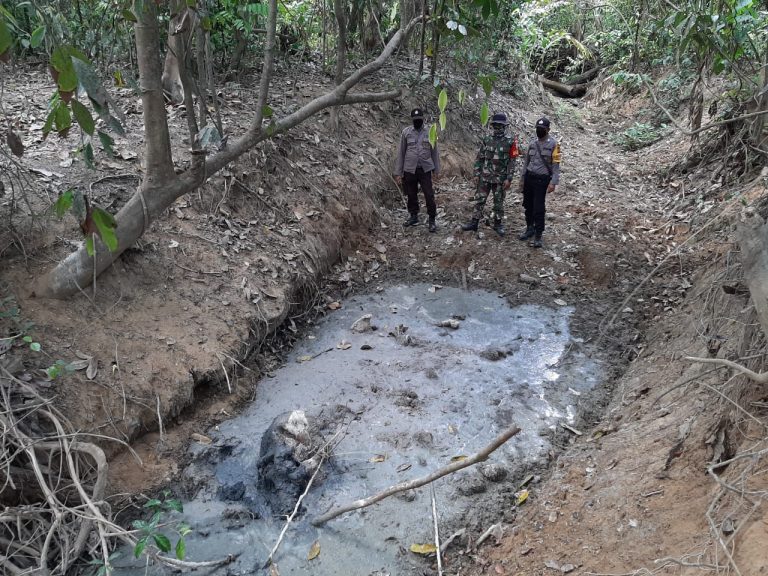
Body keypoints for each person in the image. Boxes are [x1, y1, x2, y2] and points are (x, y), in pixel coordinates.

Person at [461, 112, 519, 236]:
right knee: (479, 200)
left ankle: (498, 224)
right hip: (485, 177)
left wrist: (509, 178)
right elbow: (480, 158)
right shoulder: (487, 140)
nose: (498, 128)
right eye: (495, 125)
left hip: (500, 178)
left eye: (500, 126)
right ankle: (474, 223)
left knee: (498, 202)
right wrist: (477, 174)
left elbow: (512, 162)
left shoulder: (510, 142)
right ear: (492, 126)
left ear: (505, 127)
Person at [394, 108, 440, 233]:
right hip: (409, 169)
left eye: (419, 120)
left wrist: (436, 170)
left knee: (429, 195)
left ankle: (432, 219)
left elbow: (434, 152)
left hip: (425, 169)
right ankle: (413, 216)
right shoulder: (406, 132)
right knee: (411, 194)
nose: (417, 122)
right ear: (412, 120)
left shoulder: (430, 132)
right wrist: (398, 172)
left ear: (423, 119)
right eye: (415, 120)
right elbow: (401, 152)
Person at [518, 117, 561, 248]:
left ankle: (538, 235)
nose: (539, 131)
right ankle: (529, 228)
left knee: (538, 208)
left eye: (542, 129)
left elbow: (556, 166)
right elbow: (526, 163)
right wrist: (522, 179)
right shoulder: (532, 143)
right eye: (537, 129)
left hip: (542, 180)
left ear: (548, 130)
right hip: (529, 178)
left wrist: (553, 182)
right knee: (528, 205)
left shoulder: (554, 145)